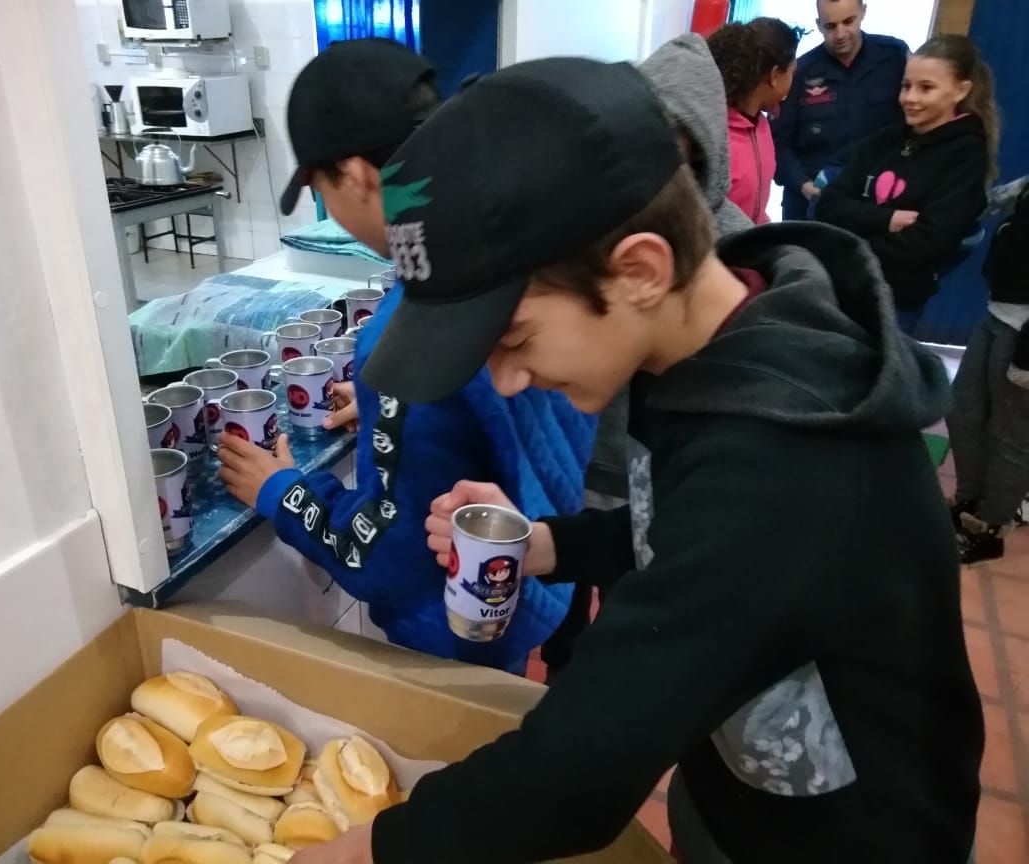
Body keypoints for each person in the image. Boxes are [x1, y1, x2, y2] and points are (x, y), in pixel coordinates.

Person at [288, 57, 982, 864]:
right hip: (738, 787)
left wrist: (368, 850)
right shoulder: (708, 350)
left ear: (640, 270)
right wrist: (549, 544)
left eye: (515, 337)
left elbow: (582, 769)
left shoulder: (788, 456)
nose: (507, 378)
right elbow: (686, 542)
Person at [216, 38, 596, 675]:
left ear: (356, 174)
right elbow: (498, 423)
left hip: (451, 626)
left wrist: (281, 491)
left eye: (321, 189)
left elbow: (384, 554)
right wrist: (385, 413)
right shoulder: (526, 258)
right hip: (530, 577)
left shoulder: (416, 329)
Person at [540, 32, 754, 679]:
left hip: (660, 475)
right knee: (572, 619)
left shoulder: (737, 273)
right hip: (597, 466)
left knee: (634, 631)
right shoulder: (595, 236)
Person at [815, 34, 997, 332]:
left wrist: (848, 247)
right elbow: (828, 204)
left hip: (894, 302)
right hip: (841, 287)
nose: (910, 98)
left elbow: (927, 243)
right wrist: (887, 219)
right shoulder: (887, 140)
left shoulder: (966, 157)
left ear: (960, 91)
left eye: (926, 88)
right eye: (906, 86)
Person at [946, 175, 1029, 564]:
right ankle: (969, 502)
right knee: (962, 409)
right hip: (999, 313)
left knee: (1011, 436)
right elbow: (987, 204)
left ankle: (991, 528)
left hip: (1024, 331)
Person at [771, 0, 908, 220]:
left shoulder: (894, 57)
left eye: (848, 21)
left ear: (863, 12)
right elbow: (777, 145)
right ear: (818, 24)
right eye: (831, 26)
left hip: (875, 201)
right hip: (810, 200)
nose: (840, 34)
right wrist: (803, 185)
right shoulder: (800, 72)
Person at [707, 18, 801, 224]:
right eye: (792, 74)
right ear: (774, 76)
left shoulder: (762, 126)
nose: (791, 85)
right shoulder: (716, 138)